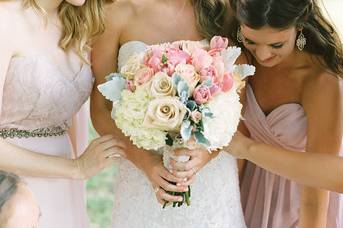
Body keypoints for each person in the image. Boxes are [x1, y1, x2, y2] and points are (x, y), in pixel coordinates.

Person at [91, 0, 246, 227]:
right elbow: (100, 110)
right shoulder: (116, 13)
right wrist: (144, 161)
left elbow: (238, 105)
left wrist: (208, 154)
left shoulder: (225, 12)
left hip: (210, 176)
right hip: (140, 176)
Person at [0, 0, 125, 227]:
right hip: (10, 188)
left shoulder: (82, 27)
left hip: (64, 188)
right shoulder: (5, 20)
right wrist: (76, 168)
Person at [223, 0, 343, 227]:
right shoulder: (241, 60)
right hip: (250, 188)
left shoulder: (321, 81)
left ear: (299, 25)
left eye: (277, 45)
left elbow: (316, 193)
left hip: (300, 199)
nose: (263, 55)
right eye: (250, 40)